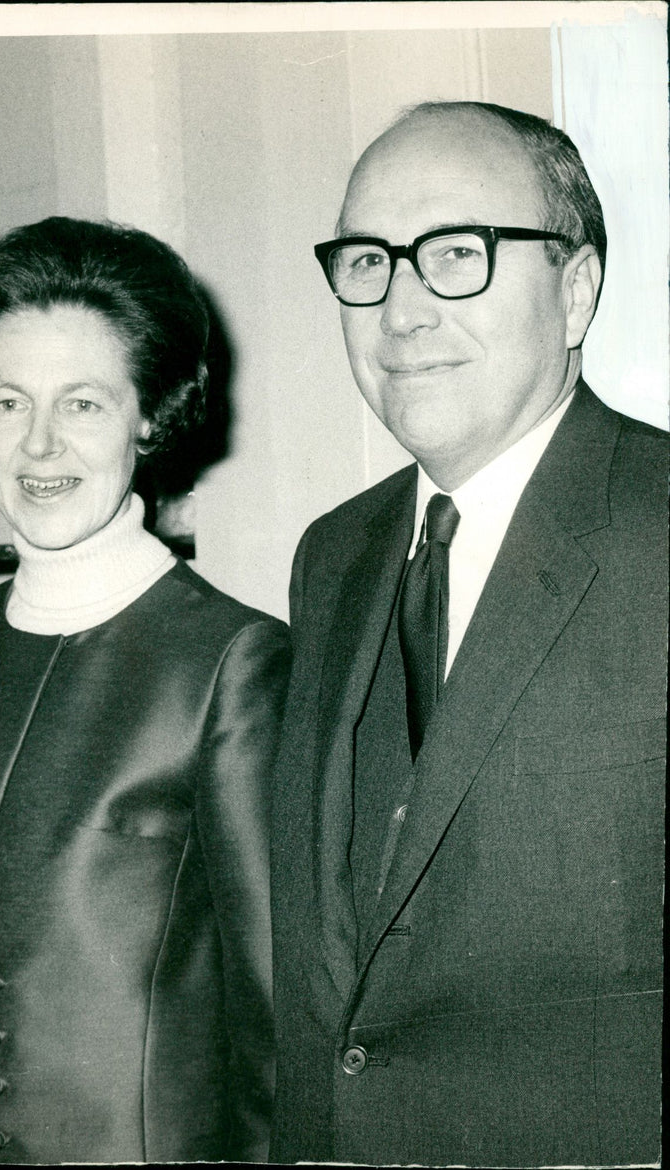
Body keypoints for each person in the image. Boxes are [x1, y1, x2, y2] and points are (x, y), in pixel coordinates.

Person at [270, 102, 666, 1167]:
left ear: (574, 289)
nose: (399, 310)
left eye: (456, 255)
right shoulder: (332, 557)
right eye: (367, 262)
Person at [0, 216, 290, 1165]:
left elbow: (276, 1025)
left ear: (150, 414)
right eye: (8, 403)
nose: (41, 446)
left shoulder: (232, 663)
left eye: (86, 405)